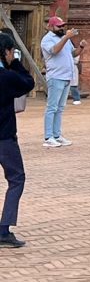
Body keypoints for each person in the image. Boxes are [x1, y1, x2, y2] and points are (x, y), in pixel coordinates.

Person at [0, 32, 33, 247]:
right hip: (4, 137)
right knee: (16, 178)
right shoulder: (7, 77)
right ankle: (4, 229)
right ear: (6, 52)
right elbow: (28, 83)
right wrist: (15, 63)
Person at [40, 16, 85, 148]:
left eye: (62, 26)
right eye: (59, 26)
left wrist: (81, 47)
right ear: (50, 27)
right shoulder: (47, 39)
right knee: (52, 107)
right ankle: (48, 136)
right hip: (55, 76)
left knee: (60, 108)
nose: (62, 28)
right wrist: (66, 37)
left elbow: (73, 54)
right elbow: (54, 51)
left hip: (66, 77)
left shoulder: (65, 38)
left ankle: (57, 135)